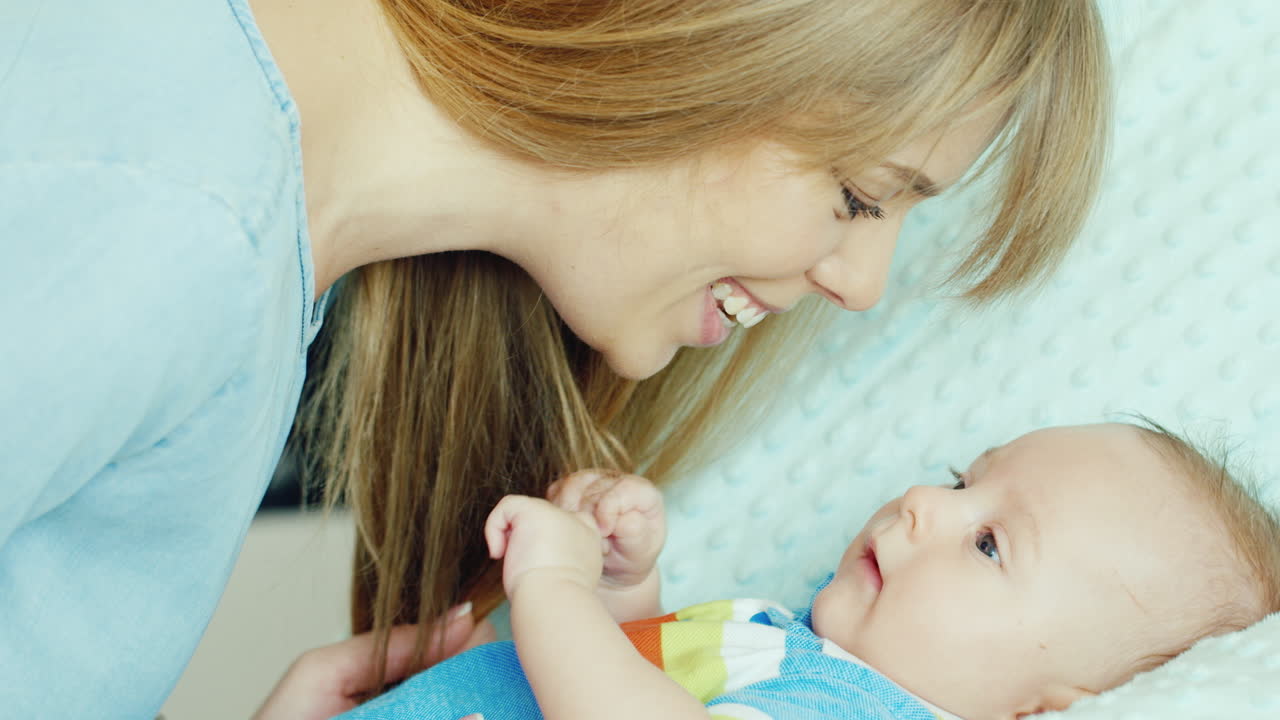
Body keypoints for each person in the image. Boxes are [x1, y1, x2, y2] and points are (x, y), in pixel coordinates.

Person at [0, 1, 1110, 717]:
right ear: (704, 36)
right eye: (858, 196)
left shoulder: (249, 245)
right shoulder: (174, 218)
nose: (858, 285)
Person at [333, 422, 1280, 720]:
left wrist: (552, 590)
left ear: (1040, 708)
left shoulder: (855, 713)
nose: (923, 501)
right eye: (962, 481)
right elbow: (640, 680)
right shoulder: (797, 647)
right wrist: (626, 586)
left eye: (989, 543)